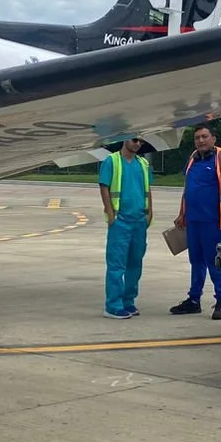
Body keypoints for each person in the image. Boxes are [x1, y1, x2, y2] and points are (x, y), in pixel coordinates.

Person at [170, 125, 221, 320]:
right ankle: (194, 299)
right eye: (197, 138)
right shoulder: (193, 158)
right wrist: (182, 213)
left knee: (216, 261)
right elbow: (189, 188)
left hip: (214, 221)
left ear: (214, 138)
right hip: (193, 220)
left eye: (204, 137)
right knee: (196, 261)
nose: (201, 141)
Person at [98, 135, 152, 319]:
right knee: (116, 264)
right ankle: (112, 305)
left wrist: (149, 212)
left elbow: (147, 189)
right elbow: (104, 186)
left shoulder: (143, 164)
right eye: (135, 140)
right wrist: (110, 213)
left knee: (135, 264)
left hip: (139, 220)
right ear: (125, 139)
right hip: (121, 221)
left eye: (141, 142)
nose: (138, 144)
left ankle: (128, 301)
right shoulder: (111, 161)